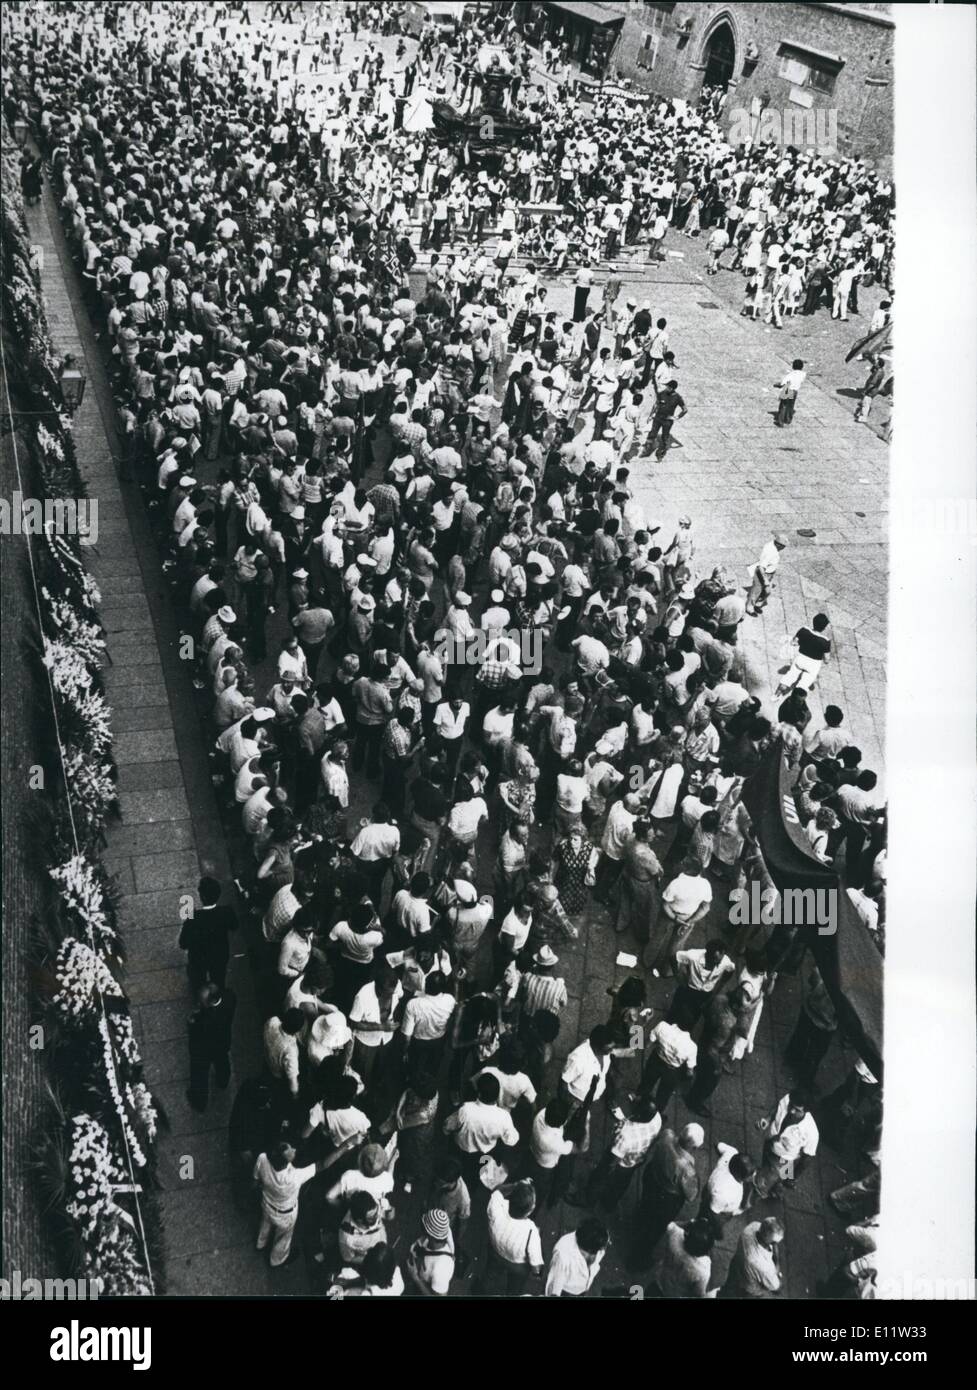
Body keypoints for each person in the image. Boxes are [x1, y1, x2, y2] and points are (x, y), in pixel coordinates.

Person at [630, 1123, 703, 1269]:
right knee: (654, 1229)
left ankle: (638, 1219)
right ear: (694, 1147)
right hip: (665, 1199)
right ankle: (637, 1260)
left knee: (645, 1204)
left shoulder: (667, 1135)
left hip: (652, 1177)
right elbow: (691, 1195)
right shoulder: (687, 1170)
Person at [178, 876, 238, 990]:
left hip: (199, 958)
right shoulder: (227, 912)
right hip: (220, 955)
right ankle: (217, 997)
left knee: (198, 980)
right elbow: (234, 926)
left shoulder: (193, 919)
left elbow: (183, 943)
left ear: (202, 896)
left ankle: (200, 995)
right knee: (219, 979)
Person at [186, 983, 236, 1113]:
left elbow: (197, 1033)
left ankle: (199, 1101)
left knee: (200, 1075)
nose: (199, 1003)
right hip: (223, 1041)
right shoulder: (229, 996)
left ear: (211, 1001)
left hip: (204, 1050)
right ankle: (223, 1080)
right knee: (222, 1061)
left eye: (201, 1002)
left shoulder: (206, 1021)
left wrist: (192, 1023)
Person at [720, 1217, 784, 1298]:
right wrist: (777, 1266)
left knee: (728, 1288)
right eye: (775, 1243)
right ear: (771, 1242)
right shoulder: (764, 1266)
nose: (776, 1245)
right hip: (749, 1289)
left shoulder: (752, 1227)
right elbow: (777, 1289)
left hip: (736, 1267)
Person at [544, 1218, 608, 1298]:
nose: (602, 1251)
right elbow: (555, 1284)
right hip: (566, 1292)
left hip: (583, 1289)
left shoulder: (599, 1241)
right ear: (587, 1250)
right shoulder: (563, 1254)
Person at [406, 1208, 455, 1295]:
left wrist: (415, 1277)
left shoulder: (441, 1270)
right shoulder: (444, 1230)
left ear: (430, 1235)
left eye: (425, 1229)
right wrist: (418, 1243)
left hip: (426, 1286)